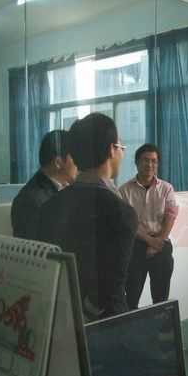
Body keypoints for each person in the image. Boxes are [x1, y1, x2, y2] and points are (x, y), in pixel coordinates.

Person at [39, 113, 138, 320]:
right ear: (111, 150)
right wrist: (86, 315)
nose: (121, 153)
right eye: (120, 147)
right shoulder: (121, 213)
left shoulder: (49, 206)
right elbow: (109, 289)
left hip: (59, 316)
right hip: (107, 323)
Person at [120, 144, 179, 309]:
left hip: (161, 243)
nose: (150, 164)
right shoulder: (124, 191)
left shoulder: (166, 188)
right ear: (137, 162)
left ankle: (159, 325)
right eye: (145, 160)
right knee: (131, 297)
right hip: (135, 246)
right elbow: (127, 222)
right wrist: (149, 241)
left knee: (161, 298)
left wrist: (158, 240)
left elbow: (171, 215)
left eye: (154, 161)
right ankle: (131, 324)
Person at [11, 130, 77, 239]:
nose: (79, 163)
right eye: (75, 157)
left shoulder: (64, 189)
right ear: (58, 162)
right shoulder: (31, 201)